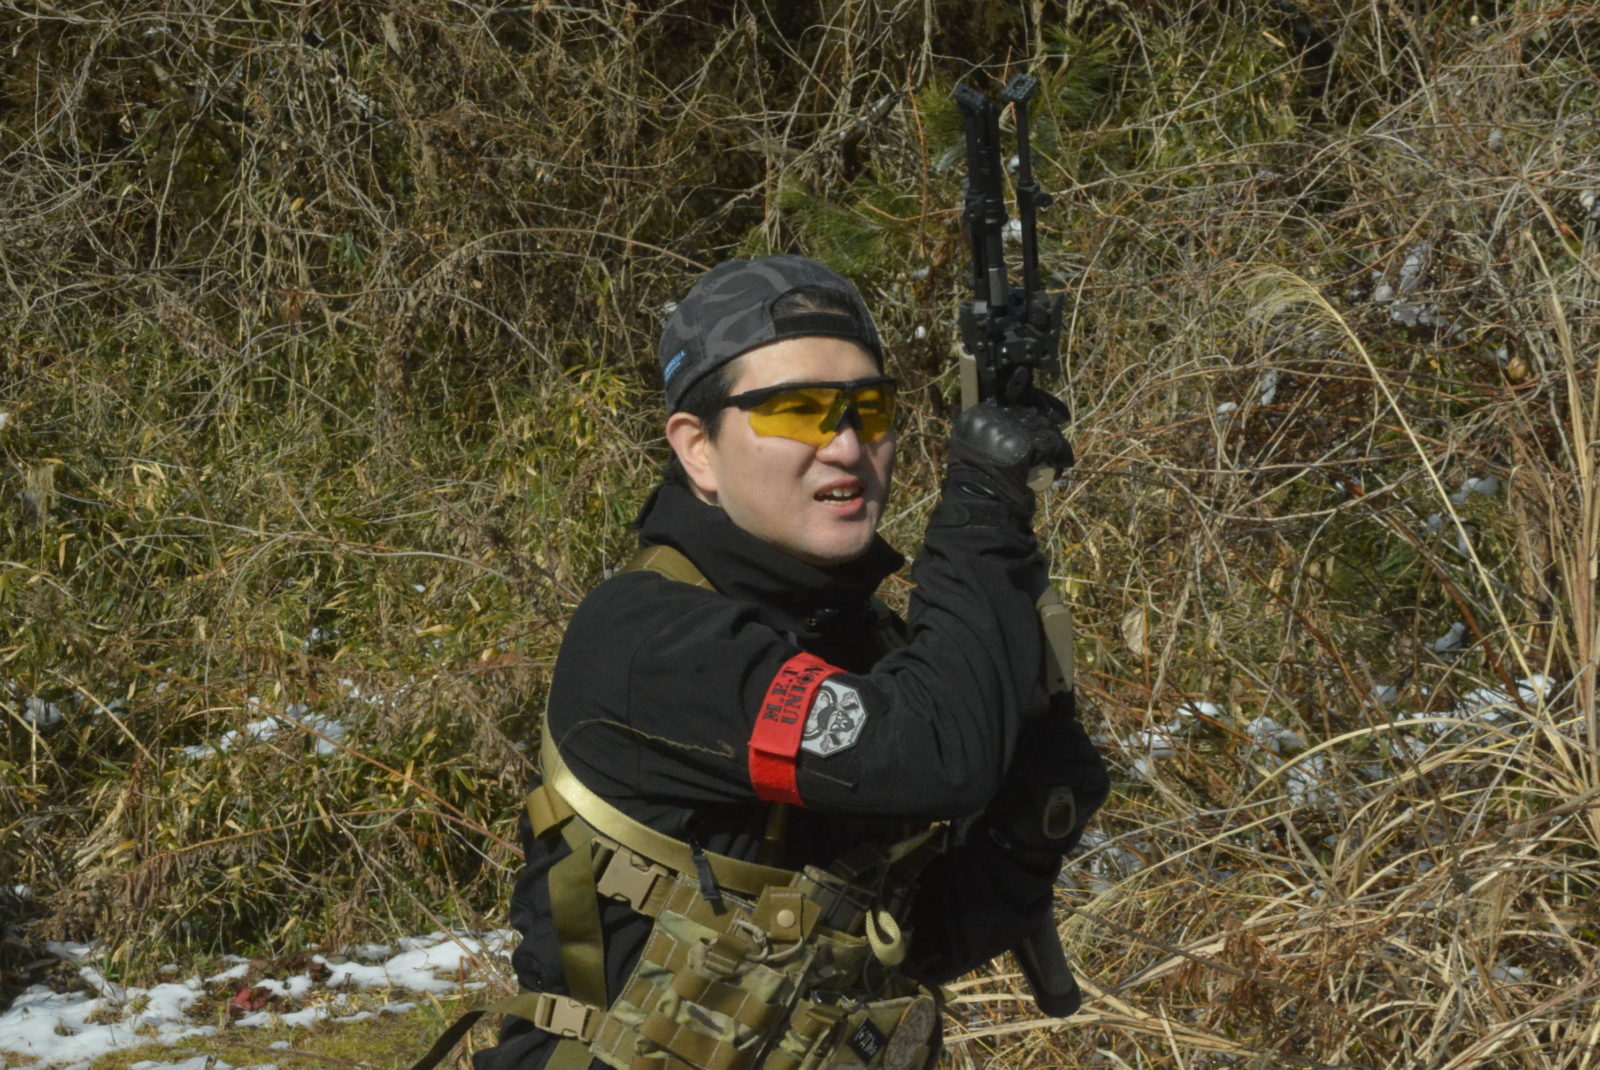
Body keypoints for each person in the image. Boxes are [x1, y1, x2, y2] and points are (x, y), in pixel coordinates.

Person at [473, 254, 1108, 1070]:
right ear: (697, 450)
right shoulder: (651, 640)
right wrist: (982, 515)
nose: (845, 447)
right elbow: (931, 754)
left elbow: (898, 946)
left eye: (868, 409)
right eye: (797, 411)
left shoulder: (854, 634)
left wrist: (1026, 831)